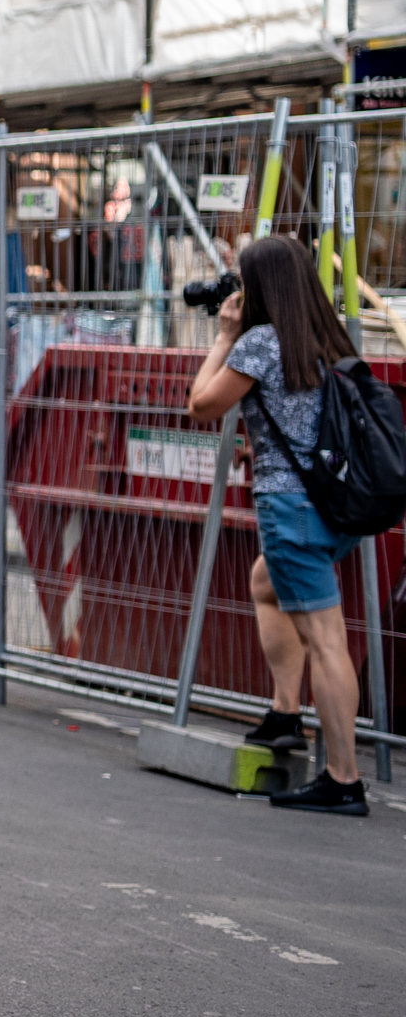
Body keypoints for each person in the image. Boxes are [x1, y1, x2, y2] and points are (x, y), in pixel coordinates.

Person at [188, 235, 372, 816]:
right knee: (265, 583)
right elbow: (302, 414)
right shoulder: (325, 335)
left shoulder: (261, 344)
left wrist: (221, 338)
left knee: (325, 638)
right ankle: (285, 713)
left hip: (291, 510)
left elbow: (201, 406)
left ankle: (343, 780)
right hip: (332, 506)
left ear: (263, 286)